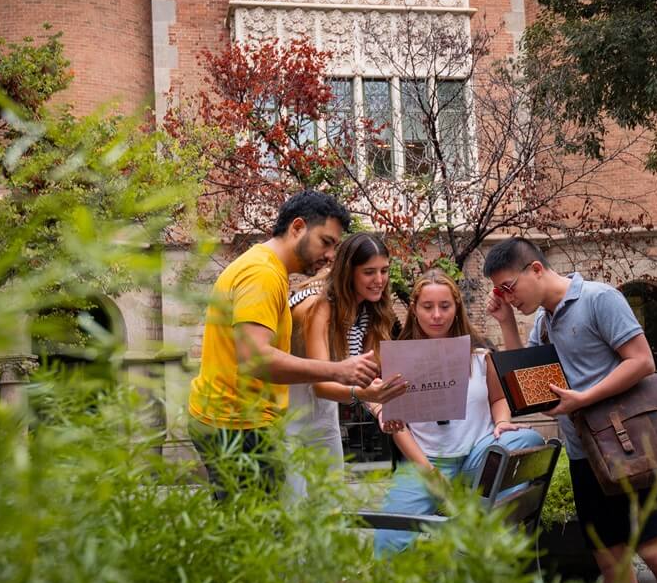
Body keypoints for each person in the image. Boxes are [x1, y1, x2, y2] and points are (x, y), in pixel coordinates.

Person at [483, 237, 657, 583]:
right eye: (499, 292)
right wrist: (507, 325)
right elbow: (533, 386)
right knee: (612, 565)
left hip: (629, 453)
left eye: (508, 287)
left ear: (535, 269)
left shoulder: (599, 299)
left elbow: (642, 361)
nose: (507, 297)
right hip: (586, 458)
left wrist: (585, 398)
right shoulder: (543, 322)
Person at [187, 190, 379, 494]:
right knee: (262, 536)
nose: (331, 256)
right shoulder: (262, 274)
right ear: (298, 227)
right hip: (238, 427)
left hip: (234, 421)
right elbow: (255, 359)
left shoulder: (265, 268)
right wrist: (336, 370)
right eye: (326, 242)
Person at [371, 268, 545, 556]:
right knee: (388, 541)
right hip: (427, 461)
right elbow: (398, 425)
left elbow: (498, 398)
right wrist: (429, 474)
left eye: (444, 306)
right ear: (414, 310)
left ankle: (476, 536)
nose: (436, 315)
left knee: (527, 440)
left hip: (479, 455)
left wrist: (502, 422)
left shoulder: (479, 355)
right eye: (428, 307)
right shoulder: (400, 359)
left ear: (456, 308)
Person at [285, 233, 407, 498]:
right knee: (293, 506)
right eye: (369, 272)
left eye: (384, 271)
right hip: (287, 410)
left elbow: (365, 378)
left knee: (329, 504)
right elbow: (320, 384)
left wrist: (380, 410)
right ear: (348, 272)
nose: (379, 281)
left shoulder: (370, 309)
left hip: (324, 411)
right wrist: (365, 395)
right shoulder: (320, 305)